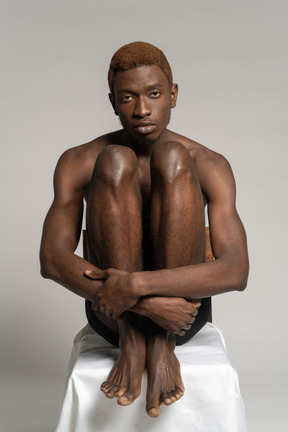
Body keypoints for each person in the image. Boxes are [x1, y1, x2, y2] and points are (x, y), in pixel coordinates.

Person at [40, 41, 249, 418]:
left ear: (173, 95)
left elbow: (236, 271)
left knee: (173, 159)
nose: (141, 110)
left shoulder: (210, 163)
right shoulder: (78, 161)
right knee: (114, 161)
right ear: (112, 102)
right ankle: (134, 342)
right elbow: (52, 260)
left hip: (181, 315)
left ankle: (160, 344)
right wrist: (141, 306)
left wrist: (137, 287)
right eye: (127, 97)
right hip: (112, 315)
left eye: (154, 94)